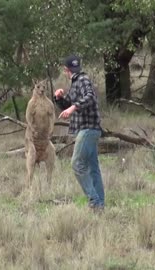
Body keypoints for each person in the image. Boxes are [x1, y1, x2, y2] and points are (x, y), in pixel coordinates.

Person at [54, 54, 105, 210]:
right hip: (90, 129)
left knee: (77, 164)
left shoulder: (82, 80)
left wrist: (73, 108)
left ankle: (94, 202)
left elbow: (89, 97)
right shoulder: (76, 83)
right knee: (92, 167)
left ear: (65, 70)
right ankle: (100, 205)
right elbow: (68, 104)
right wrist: (59, 98)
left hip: (88, 129)